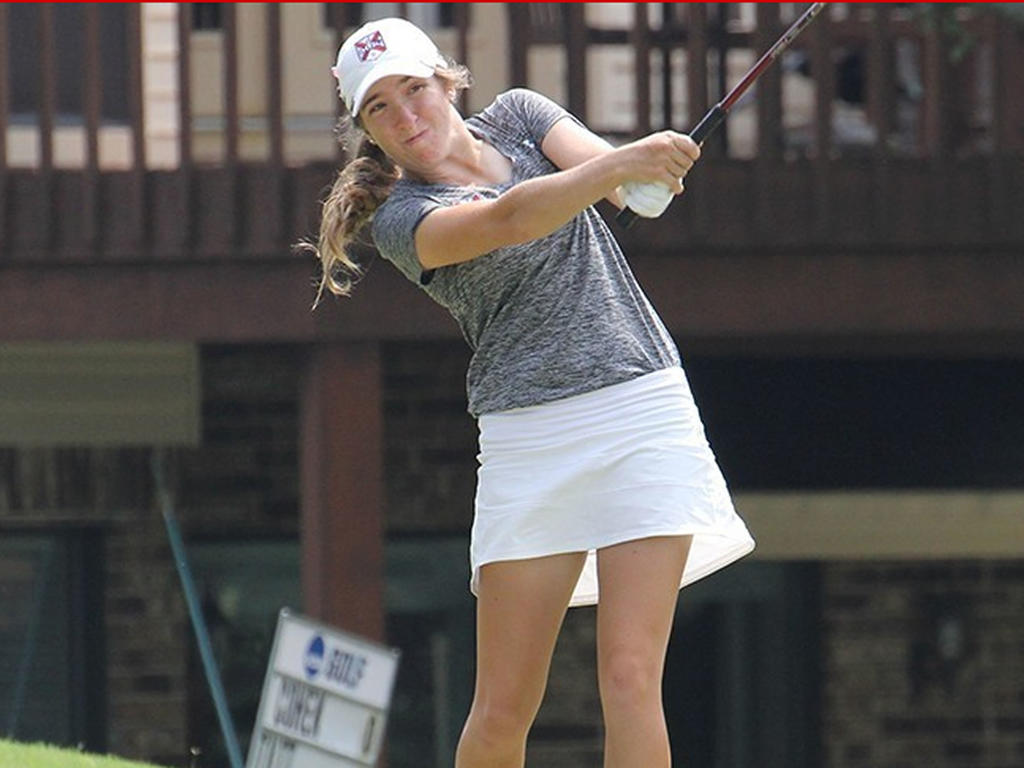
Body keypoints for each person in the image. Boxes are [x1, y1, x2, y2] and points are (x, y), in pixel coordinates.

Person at [306, 17, 756, 768]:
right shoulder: (401, 219)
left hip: (642, 406)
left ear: (447, 82)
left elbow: (624, 188)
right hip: (529, 436)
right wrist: (622, 167)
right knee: (504, 705)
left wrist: (646, 172)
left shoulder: (519, 113)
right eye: (380, 106)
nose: (406, 116)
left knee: (631, 674)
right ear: (365, 129)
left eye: (414, 89)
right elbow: (515, 216)